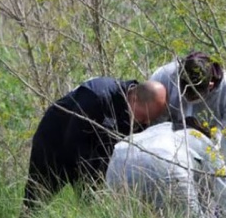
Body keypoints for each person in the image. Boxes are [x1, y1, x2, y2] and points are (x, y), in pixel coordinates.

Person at [23, 78, 167, 208]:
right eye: (144, 117)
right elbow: (74, 142)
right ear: (134, 98)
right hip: (55, 141)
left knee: (95, 208)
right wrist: (95, 177)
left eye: (151, 119)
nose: (146, 122)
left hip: (91, 152)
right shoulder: (96, 95)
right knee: (35, 202)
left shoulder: (140, 112)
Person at [150, 51, 226, 186]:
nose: (189, 99)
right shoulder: (164, 76)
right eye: (185, 93)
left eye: (195, 96)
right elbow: (150, 123)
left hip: (207, 150)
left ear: (210, 85)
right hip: (166, 147)